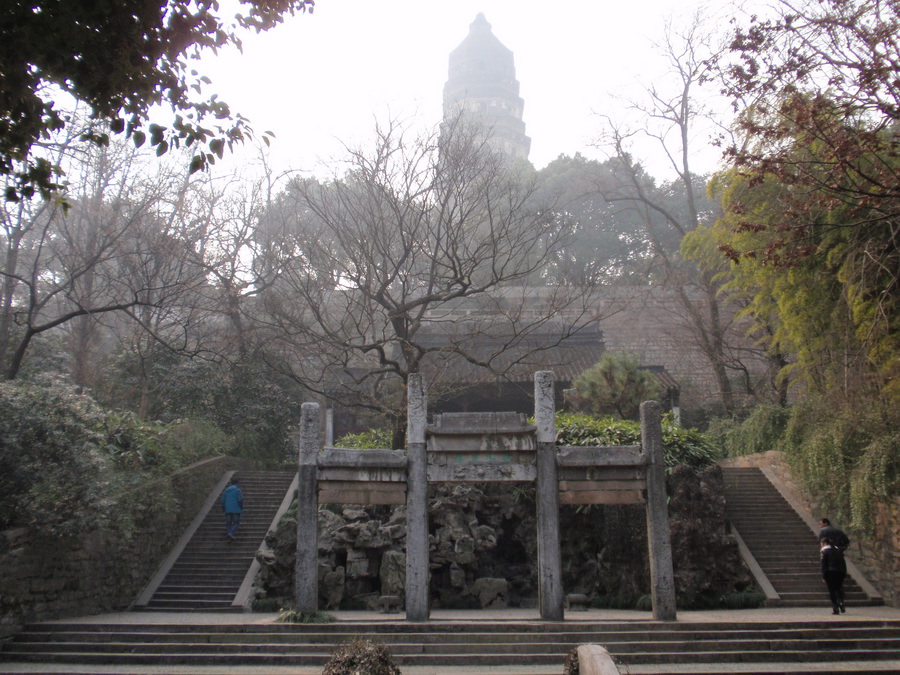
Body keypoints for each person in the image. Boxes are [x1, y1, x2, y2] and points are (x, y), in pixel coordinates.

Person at [820, 536, 846, 614]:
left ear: (824, 543)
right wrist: (844, 572)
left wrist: (824, 576)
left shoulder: (824, 552)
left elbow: (824, 565)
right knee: (839, 588)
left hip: (830, 572)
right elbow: (843, 563)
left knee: (832, 590)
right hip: (840, 572)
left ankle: (835, 607)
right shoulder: (838, 551)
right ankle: (841, 602)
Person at [221, 476, 244, 541]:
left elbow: (222, 500)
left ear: (230, 482)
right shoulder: (238, 490)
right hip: (236, 510)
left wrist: (223, 508)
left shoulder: (226, 491)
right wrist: (241, 507)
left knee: (228, 523)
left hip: (227, 510)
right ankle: (231, 533)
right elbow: (240, 499)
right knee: (236, 523)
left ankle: (229, 534)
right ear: (237, 483)